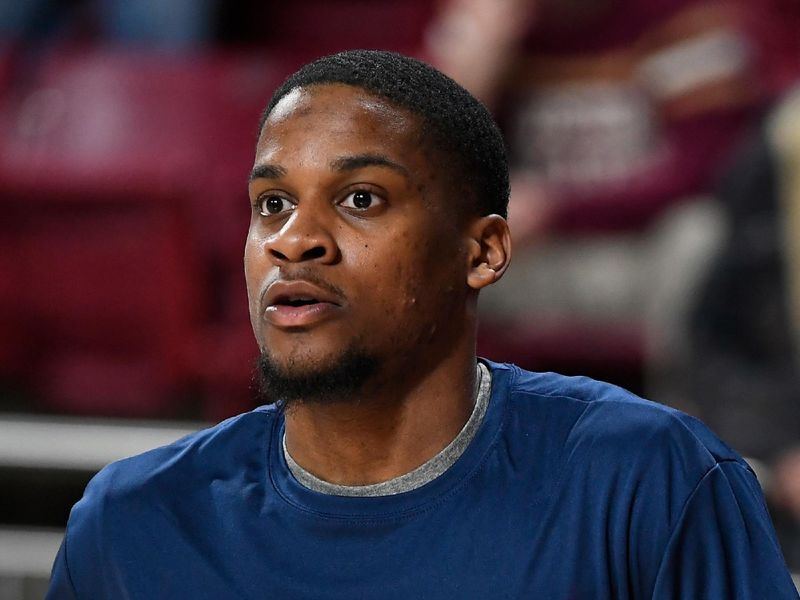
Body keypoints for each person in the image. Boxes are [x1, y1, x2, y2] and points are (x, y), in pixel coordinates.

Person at [46, 50, 798, 599]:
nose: (294, 238)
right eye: (272, 203)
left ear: (482, 252)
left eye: (362, 198)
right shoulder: (132, 525)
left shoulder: (651, 482)